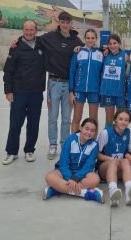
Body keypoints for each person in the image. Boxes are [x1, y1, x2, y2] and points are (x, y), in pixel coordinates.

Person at [41, 11, 84, 160]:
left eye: (68, 22)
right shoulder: (49, 37)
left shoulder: (77, 41)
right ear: (59, 22)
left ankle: (65, 144)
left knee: (66, 118)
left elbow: (89, 50)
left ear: (71, 24)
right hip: (53, 83)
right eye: (62, 22)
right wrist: (17, 42)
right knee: (52, 116)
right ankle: (53, 145)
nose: (65, 25)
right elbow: (32, 39)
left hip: (69, 85)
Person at [2, 20, 45, 165]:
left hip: (36, 93)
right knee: (15, 124)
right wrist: (8, 91)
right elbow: (8, 71)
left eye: (31, 29)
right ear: (23, 30)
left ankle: (29, 150)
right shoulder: (15, 47)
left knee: (33, 124)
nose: (29, 32)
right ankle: (11, 152)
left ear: (36, 30)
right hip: (19, 92)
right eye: (26, 29)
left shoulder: (42, 45)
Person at [42, 118, 104, 203]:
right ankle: (87, 193)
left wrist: (75, 178)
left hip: (82, 174)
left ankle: (57, 189)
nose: (89, 132)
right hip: (65, 171)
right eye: (87, 129)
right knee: (49, 177)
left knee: (95, 179)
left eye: (92, 131)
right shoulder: (70, 140)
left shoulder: (94, 145)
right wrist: (70, 179)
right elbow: (63, 163)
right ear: (81, 128)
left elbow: (88, 167)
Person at [97, 109, 131, 207]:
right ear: (115, 120)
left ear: (129, 122)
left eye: (126, 120)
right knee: (114, 163)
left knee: (125, 161)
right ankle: (113, 191)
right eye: (120, 119)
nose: (123, 122)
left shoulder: (129, 133)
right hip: (105, 168)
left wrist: (130, 157)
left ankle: (129, 191)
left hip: (121, 168)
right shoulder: (106, 133)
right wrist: (112, 160)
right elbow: (97, 154)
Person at [69, 29, 104, 132]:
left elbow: (102, 74)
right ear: (84, 39)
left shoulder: (101, 54)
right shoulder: (78, 52)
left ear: (96, 39)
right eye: (88, 38)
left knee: (93, 120)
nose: (90, 40)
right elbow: (72, 72)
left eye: (92, 38)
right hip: (79, 90)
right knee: (76, 118)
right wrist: (71, 91)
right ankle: (75, 144)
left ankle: (92, 145)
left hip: (94, 90)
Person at [99, 34, 128, 128]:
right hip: (108, 92)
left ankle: (121, 140)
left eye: (114, 43)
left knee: (121, 120)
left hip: (120, 92)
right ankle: (108, 140)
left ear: (119, 44)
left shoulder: (125, 55)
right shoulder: (105, 55)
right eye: (110, 44)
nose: (112, 46)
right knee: (109, 120)